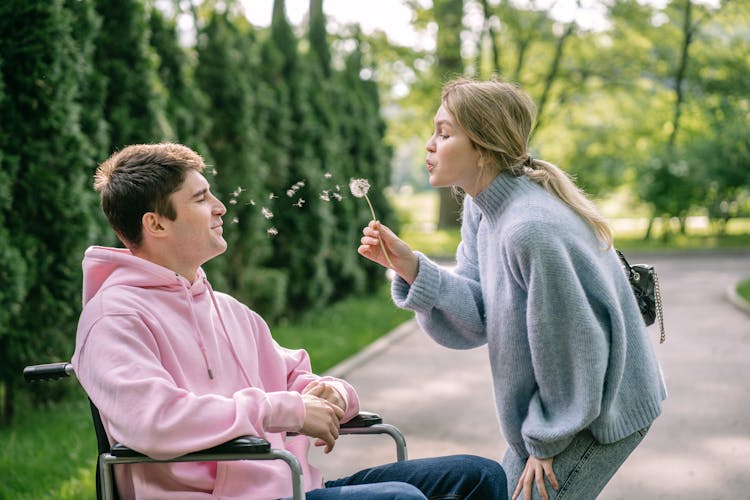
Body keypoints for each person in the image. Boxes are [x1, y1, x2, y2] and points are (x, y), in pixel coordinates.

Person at [72, 143, 507, 500]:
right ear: (156, 224)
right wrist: (288, 409)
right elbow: (155, 420)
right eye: (201, 198)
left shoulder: (227, 309)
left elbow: (296, 377)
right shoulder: (114, 318)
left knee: (479, 476)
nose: (220, 207)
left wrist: (331, 393)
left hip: (291, 488)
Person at [358, 78, 667, 500]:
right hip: (566, 406)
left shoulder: (530, 229)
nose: (429, 144)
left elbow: (575, 348)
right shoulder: (483, 209)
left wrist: (545, 440)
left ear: (483, 148)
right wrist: (412, 268)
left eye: (445, 133)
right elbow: (478, 315)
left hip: (598, 408)